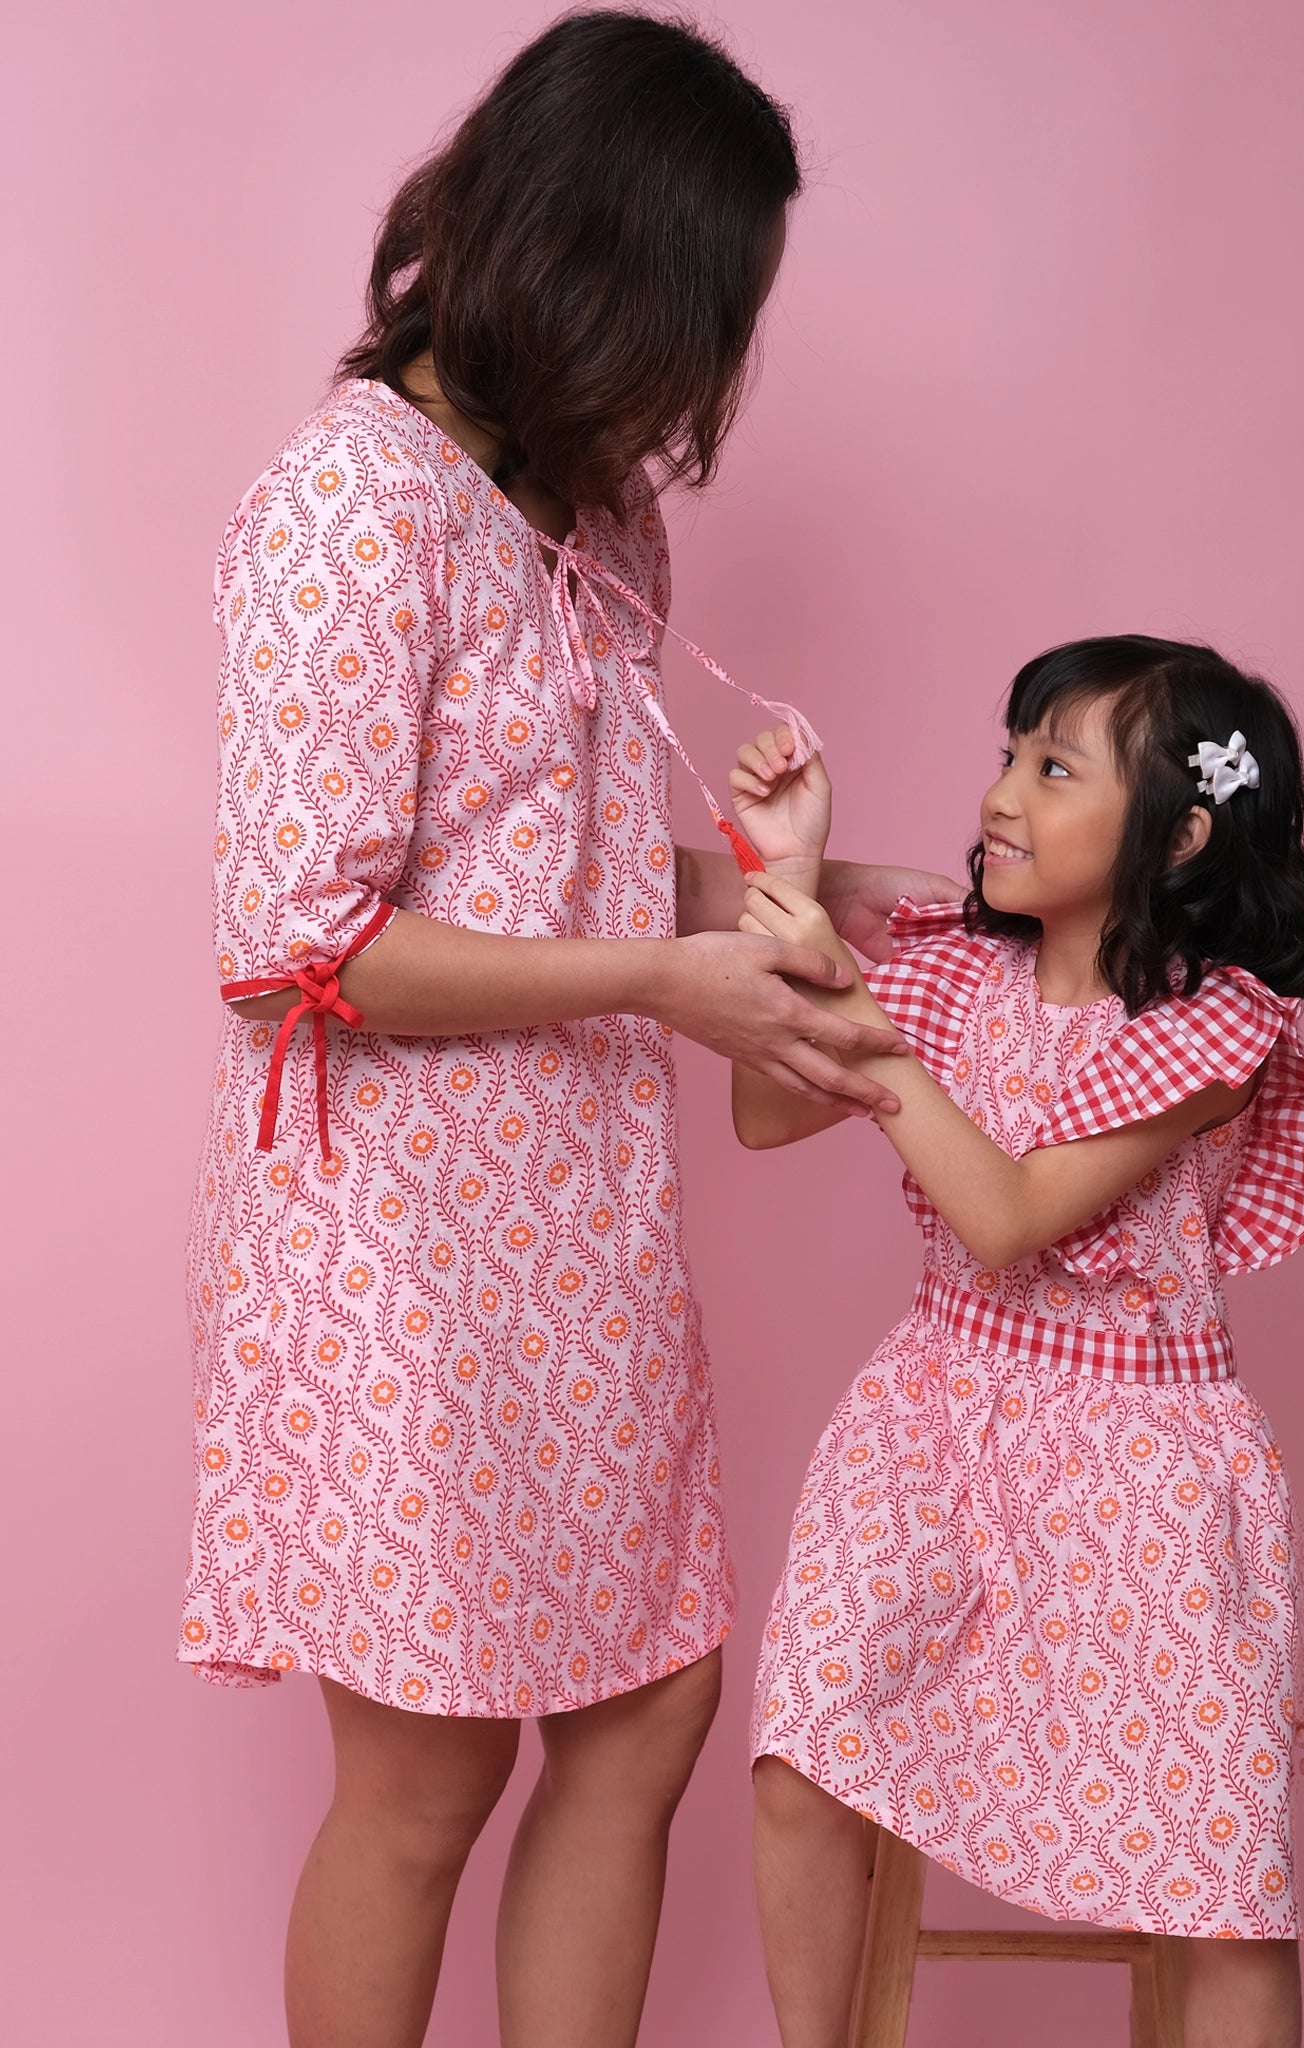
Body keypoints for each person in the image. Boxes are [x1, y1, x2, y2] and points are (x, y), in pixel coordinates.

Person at [179, 17, 957, 2047]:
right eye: (713, 307)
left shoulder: (601, 528)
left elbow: (585, 884)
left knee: (646, 1706)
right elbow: (295, 948)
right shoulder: (356, 503)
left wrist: (818, 896)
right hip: (401, 1242)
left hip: (578, 1219)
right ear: (604, 261)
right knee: (428, 1770)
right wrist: (657, 977)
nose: (715, 369)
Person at [728, 636, 1304, 2048]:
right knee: (800, 1761)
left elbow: (1010, 1217)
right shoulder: (960, 974)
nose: (1001, 795)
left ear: (1181, 830)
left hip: (1144, 1470)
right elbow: (766, 1112)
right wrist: (788, 886)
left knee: (1221, 1882)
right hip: (932, 1416)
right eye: (1007, 753)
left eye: (1053, 765)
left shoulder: (1215, 1027)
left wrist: (869, 1024)